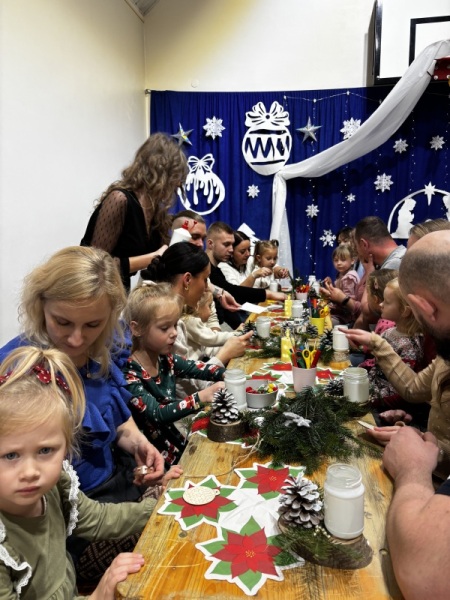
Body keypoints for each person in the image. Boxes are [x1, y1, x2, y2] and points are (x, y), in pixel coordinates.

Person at [0, 246, 167, 583]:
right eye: (62, 322)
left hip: (116, 482)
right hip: (72, 514)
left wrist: (138, 443)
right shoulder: (18, 371)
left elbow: (114, 415)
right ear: (40, 306)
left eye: (93, 324)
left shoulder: (98, 352)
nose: (77, 339)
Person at [0, 345, 155, 599]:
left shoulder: (56, 487)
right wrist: (96, 596)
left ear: (66, 448)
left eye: (45, 450)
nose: (30, 472)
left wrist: (158, 507)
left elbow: (99, 519)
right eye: (10, 455)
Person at [122, 283, 226, 468]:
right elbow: (158, 413)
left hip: (176, 445)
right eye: (165, 328)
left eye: (175, 325)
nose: (175, 333)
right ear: (136, 329)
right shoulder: (129, 375)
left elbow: (201, 369)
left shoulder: (165, 359)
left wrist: (229, 375)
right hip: (154, 462)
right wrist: (200, 397)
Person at [80, 133, 188, 290]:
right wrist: (152, 257)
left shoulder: (155, 211)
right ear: (160, 171)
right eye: (175, 175)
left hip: (119, 290)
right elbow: (97, 266)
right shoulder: (119, 199)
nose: (178, 183)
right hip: (91, 291)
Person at [345, 278, 424, 413]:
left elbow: (400, 390)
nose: (381, 304)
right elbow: (376, 365)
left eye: (387, 302)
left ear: (405, 311)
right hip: (371, 390)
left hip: (383, 404)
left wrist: (369, 399)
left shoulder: (409, 346)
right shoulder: (388, 332)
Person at [206, 222, 286, 328]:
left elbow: (228, 295)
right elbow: (234, 293)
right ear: (210, 244)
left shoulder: (217, 269)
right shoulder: (211, 268)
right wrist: (268, 294)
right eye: (226, 244)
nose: (231, 249)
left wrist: (279, 270)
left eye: (232, 245)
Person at [182, 290, 243, 361]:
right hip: (195, 364)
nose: (211, 311)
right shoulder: (188, 321)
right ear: (197, 306)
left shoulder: (197, 322)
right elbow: (213, 338)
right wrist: (237, 333)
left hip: (203, 358)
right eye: (209, 306)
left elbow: (209, 348)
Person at [322, 244, 359, 326]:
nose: (339, 263)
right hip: (341, 313)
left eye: (343, 260)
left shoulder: (349, 277)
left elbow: (347, 302)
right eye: (336, 260)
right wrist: (330, 285)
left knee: (324, 322)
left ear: (352, 261)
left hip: (347, 317)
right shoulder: (341, 274)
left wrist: (330, 298)